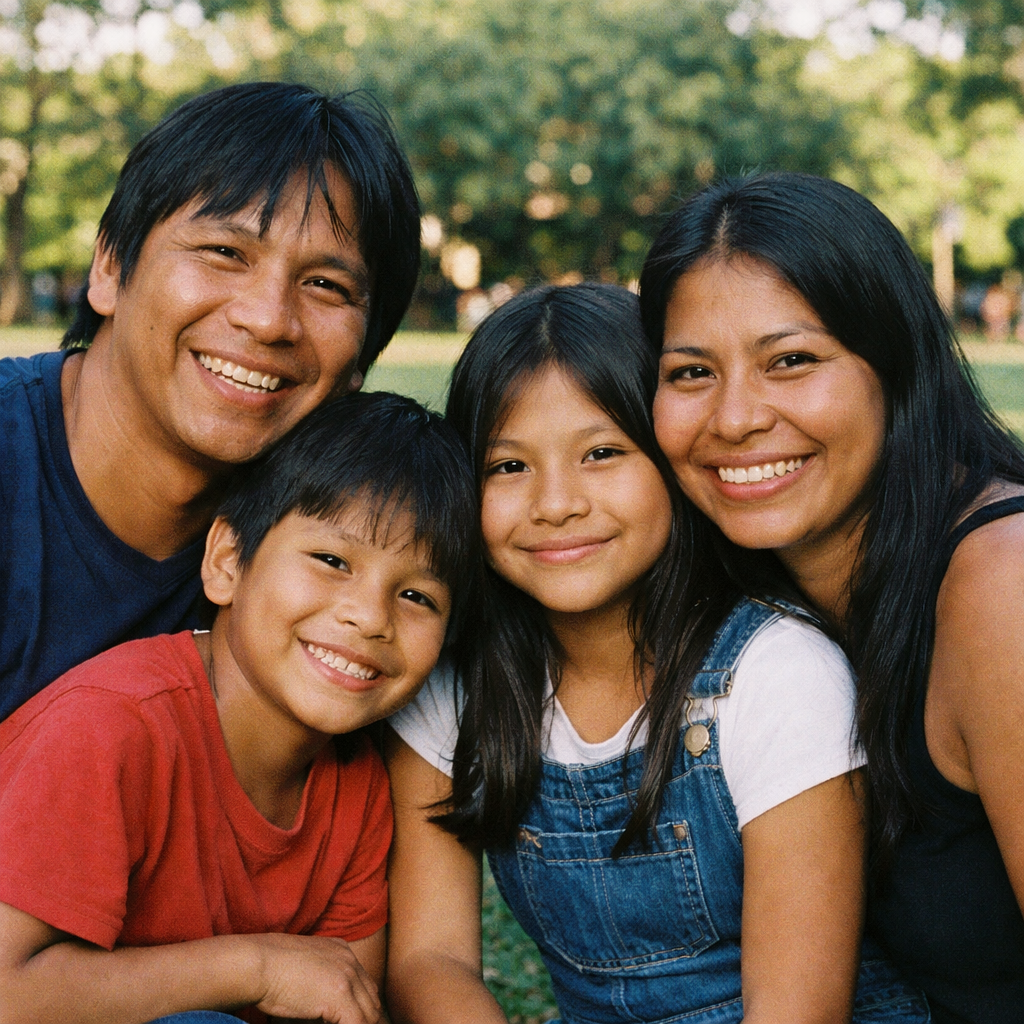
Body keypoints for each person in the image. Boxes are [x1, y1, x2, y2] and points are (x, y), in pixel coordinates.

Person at [384, 283, 929, 1024]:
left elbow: (798, 1011)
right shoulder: (456, 684)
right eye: (509, 467)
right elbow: (430, 957)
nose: (555, 503)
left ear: (673, 459)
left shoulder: (776, 674)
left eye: (602, 453)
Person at [640, 171, 1024, 1024]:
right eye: (691, 371)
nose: (735, 417)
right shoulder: (754, 601)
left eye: (792, 361)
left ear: (893, 362)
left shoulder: (1004, 583)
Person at [0, 391, 477, 1024]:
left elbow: (344, 1000)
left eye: (418, 596)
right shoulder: (110, 727)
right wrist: (258, 967)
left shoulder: (356, 781)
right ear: (227, 562)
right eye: (333, 561)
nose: (369, 617)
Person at [0, 81, 421, 721]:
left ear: (363, 357)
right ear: (111, 266)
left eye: (326, 285)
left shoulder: (334, 567)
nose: (268, 319)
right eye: (225, 252)